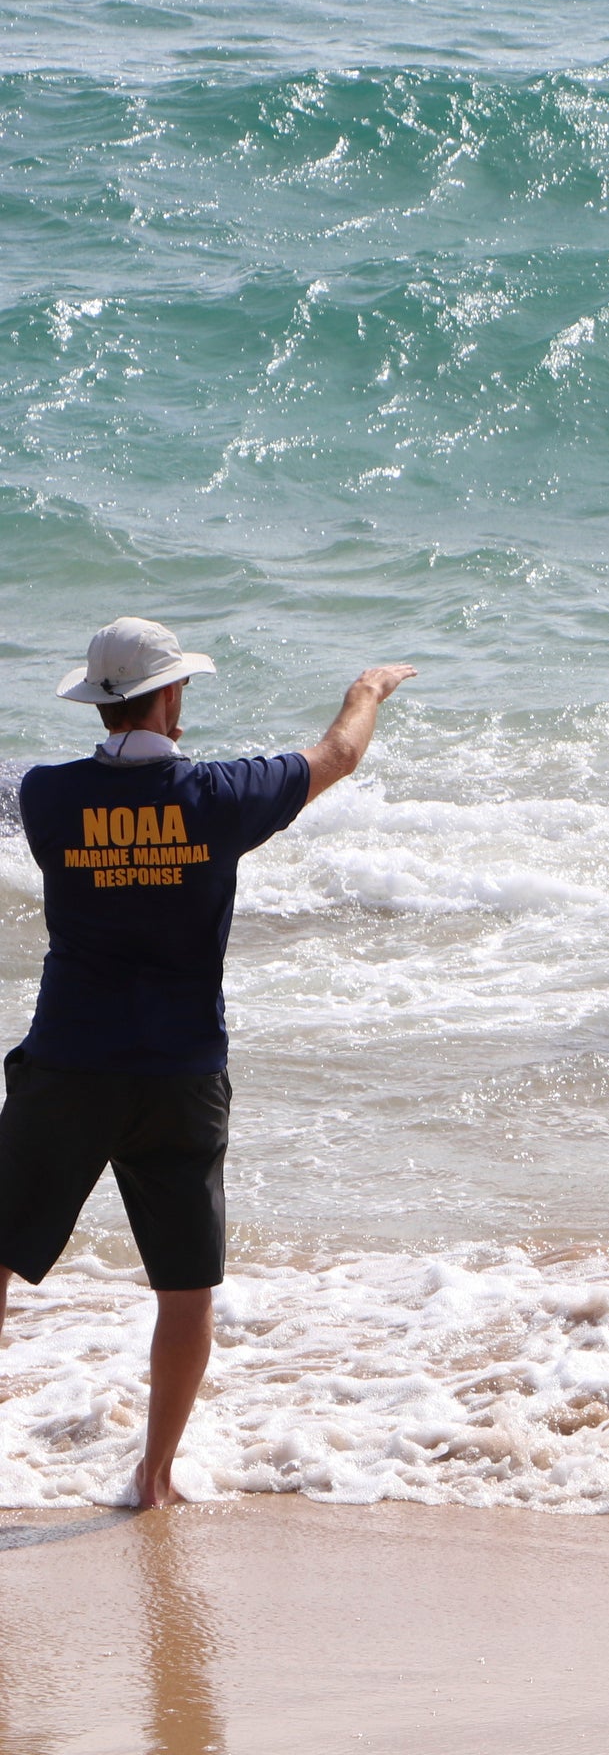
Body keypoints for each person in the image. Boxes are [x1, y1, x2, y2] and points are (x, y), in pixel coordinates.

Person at [0, 618, 413, 1507]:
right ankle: (154, 1477)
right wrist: (369, 689)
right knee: (184, 1290)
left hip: (69, 1063)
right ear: (172, 695)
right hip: (181, 1073)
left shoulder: (45, 796)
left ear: (101, 703)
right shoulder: (222, 796)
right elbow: (337, 757)